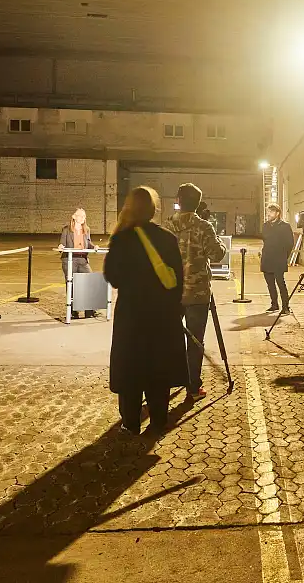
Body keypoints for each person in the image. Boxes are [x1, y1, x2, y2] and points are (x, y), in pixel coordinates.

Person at [104, 186, 188, 436]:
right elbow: (178, 280)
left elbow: (113, 277)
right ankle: (159, 420)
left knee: (131, 368)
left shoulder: (121, 238)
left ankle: (130, 423)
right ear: (153, 210)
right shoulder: (167, 238)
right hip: (161, 316)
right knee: (158, 367)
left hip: (131, 315)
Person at [167, 183, 227, 402]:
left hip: (172, 292)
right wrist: (215, 235)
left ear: (179, 201)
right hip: (198, 293)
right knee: (195, 341)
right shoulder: (204, 226)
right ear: (198, 203)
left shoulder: (168, 225)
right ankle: (192, 386)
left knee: (171, 338)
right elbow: (218, 254)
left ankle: (167, 382)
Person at [58, 208, 97, 320]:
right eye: (80, 216)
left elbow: (88, 243)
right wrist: (61, 247)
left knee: (90, 282)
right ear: (74, 217)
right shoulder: (66, 229)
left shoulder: (86, 230)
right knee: (71, 285)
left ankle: (89, 310)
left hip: (82, 260)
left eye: (84, 216)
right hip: (69, 260)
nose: (83, 218)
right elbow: (62, 243)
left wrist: (94, 247)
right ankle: (73, 311)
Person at [261, 204, 294, 314]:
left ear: (277, 213)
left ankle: (286, 307)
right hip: (267, 258)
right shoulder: (265, 226)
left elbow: (290, 243)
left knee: (281, 283)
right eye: (268, 211)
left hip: (279, 259)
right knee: (270, 283)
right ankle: (274, 304)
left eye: (271, 212)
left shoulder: (285, 226)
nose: (268, 214)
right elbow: (265, 240)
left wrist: (284, 256)